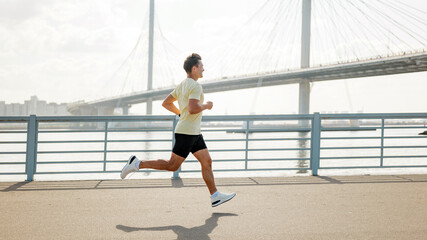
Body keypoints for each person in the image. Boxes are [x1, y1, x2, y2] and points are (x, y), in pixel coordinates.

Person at [120, 53, 235, 207]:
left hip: (193, 132)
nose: (204, 69)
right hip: (187, 132)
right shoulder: (195, 86)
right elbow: (193, 109)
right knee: (172, 165)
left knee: (206, 161)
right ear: (194, 68)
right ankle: (137, 164)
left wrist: (181, 113)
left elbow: (166, 103)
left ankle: (215, 196)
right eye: (201, 67)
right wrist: (206, 106)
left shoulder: (182, 85)